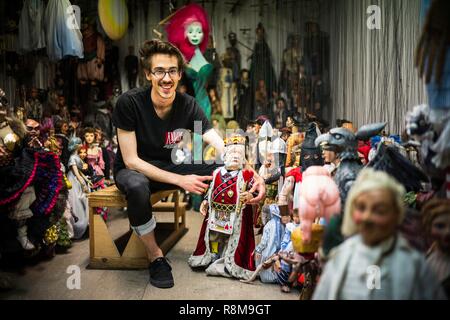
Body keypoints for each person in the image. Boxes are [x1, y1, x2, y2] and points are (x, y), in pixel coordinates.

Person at [112, 39, 265, 289]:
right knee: (138, 187)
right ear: (149, 74)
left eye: (172, 71)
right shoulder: (130, 103)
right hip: (134, 170)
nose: (166, 78)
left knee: (220, 168)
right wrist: (180, 181)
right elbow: (131, 160)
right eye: (159, 71)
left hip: (170, 165)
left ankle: (228, 244)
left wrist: (252, 174)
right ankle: (155, 256)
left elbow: (222, 147)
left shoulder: (187, 105)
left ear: (180, 74)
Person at [313, 168, 447, 300]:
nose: (367, 217)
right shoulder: (341, 258)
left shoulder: (414, 266)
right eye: (361, 208)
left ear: (396, 215)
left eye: (379, 210)